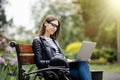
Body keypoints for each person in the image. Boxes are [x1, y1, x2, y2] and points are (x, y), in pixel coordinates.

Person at [32, 15, 92, 80]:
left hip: (63, 67)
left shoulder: (55, 41)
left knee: (82, 62)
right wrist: (59, 61)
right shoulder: (38, 41)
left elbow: (61, 57)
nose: (55, 28)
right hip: (53, 70)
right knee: (82, 73)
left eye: (56, 26)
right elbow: (39, 62)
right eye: (53, 25)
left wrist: (70, 61)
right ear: (46, 23)